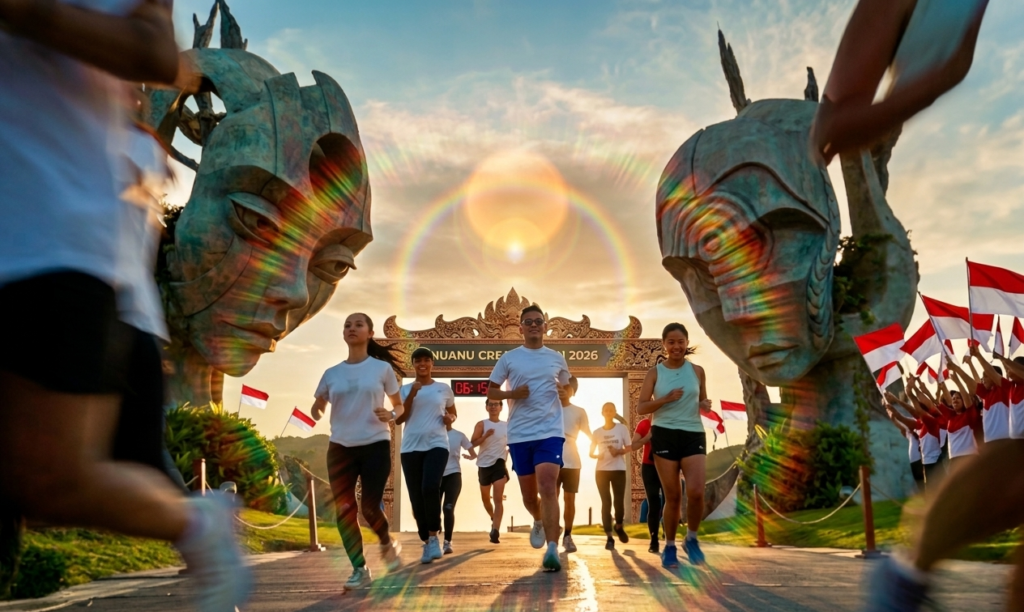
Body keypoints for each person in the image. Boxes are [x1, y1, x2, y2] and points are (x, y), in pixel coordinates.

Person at [0, 2, 249, 610]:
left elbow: (156, 52)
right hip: (85, 274)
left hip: (46, 240)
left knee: (50, 481)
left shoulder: (136, 146)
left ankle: (195, 522)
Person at [811, 0, 990, 163]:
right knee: (831, 126)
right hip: (951, 30)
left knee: (829, 126)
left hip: (948, 29)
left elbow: (833, 126)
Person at [310, 313, 404, 591]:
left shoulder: (381, 369)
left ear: (370, 333)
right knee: (344, 510)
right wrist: (317, 409)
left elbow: (399, 406)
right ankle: (359, 569)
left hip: (375, 444)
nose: (352, 328)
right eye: (347, 325)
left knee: (369, 507)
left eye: (358, 324)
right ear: (343, 334)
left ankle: (386, 543)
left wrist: (391, 414)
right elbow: (318, 405)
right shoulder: (332, 373)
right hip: (340, 447)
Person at [487, 304, 571, 572]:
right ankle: (538, 519)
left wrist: (567, 392)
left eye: (538, 321)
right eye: (529, 322)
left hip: (550, 432)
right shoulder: (509, 359)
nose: (534, 325)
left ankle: (552, 548)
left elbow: (569, 384)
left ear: (545, 326)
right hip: (520, 435)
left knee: (548, 486)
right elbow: (491, 391)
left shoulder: (556, 358)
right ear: (521, 328)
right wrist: (512, 394)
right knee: (529, 497)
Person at [638, 323, 709, 568]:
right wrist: (666, 399)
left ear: (686, 343)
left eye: (680, 341)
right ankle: (669, 546)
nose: (676, 346)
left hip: (693, 433)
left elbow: (701, 401)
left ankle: (692, 539)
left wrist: (704, 405)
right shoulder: (655, 373)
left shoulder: (697, 371)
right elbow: (641, 407)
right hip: (664, 433)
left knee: (697, 492)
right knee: (673, 496)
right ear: (664, 345)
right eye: (671, 342)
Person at [396, 347, 457, 564]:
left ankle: (433, 536)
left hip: (437, 445)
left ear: (432, 363)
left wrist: (450, 419)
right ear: (413, 364)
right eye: (418, 361)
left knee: (430, 487)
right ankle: (426, 539)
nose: (422, 364)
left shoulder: (444, 389)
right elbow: (399, 418)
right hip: (410, 448)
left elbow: (453, 412)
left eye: (426, 360)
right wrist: (413, 393)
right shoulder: (404, 390)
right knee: (416, 497)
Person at [590, 402, 631, 551]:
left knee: (618, 502)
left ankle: (618, 526)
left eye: (611, 410)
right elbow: (590, 452)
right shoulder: (597, 432)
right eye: (606, 410)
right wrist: (597, 455)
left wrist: (618, 451)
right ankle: (609, 538)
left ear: (614, 413)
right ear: (602, 413)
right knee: (606, 503)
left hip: (618, 469)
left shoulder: (622, 429)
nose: (608, 412)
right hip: (601, 471)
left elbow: (629, 447)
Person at [557, 376, 591, 553]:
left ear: (572, 391)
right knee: (550, 498)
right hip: (551, 459)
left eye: (566, 388)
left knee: (569, 500)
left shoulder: (579, 411)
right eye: (559, 387)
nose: (562, 391)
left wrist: (600, 445)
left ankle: (567, 536)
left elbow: (589, 433)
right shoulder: (548, 409)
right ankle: (552, 528)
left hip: (572, 461)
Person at [472, 398, 508, 544]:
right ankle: (493, 517)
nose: (493, 407)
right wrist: (485, 436)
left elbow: (513, 442)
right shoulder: (481, 424)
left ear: (501, 407)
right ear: (486, 407)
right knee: (486, 499)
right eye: (490, 405)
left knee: (498, 499)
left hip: (499, 464)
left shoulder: (507, 426)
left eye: (496, 404)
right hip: (484, 465)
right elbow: (473, 443)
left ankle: (495, 531)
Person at [441, 421, 476, 555]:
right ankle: (433, 536)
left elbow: (473, 453)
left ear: (453, 417)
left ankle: (447, 541)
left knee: (448, 507)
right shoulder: (432, 434)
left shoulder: (459, 435)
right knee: (433, 509)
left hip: (453, 475)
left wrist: (471, 456)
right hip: (436, 475)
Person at [633, 415, 664, 552]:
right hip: (649, 467)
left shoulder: (669, 421)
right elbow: (634, 445)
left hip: (667, 466)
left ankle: (669, 537)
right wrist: (647, 437)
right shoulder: (644, 424)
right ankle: (654, 541)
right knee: (653, 503)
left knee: (669, 502)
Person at [882, 399, 925, 493]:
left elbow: (902, 419)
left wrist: (893, 410)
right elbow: (902, 427)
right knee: (920, 485)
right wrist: (893, 419)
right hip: (914, 461)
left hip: (921, 460)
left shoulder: (919, 424)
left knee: (925, 484)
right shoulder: (910, 433)